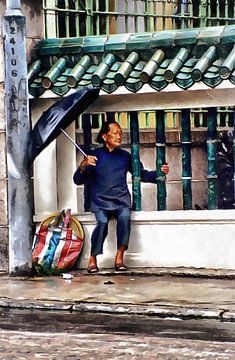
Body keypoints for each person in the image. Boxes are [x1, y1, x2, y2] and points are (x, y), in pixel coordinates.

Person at [73, 121, 169, 273]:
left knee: (125, 217)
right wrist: (83, 166)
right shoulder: (94, 157)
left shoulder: (125, 156)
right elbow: (77, 180)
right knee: (102, 222)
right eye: (115, 133)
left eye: (120, 133)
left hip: (121, 200)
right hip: (100, 201)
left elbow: (141, 174)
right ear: (105, 136)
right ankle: (93, 258)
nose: (119, 136)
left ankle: (119, 257)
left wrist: (159, 173)